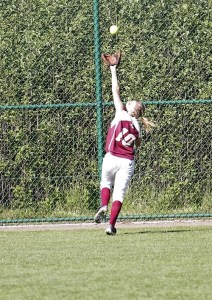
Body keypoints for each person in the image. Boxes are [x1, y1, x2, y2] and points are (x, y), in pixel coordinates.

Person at [94, 64, 155, 235]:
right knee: (119, 194)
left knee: (106, 183)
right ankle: (111, 226)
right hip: (127, 161)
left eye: (130, 103)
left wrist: (113, 70)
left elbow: (115, 89)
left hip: (111, 157)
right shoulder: (137, 125)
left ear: (132, 110)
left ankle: (103, 204)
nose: (127, 102)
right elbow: (138, 144)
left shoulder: (120, 112)